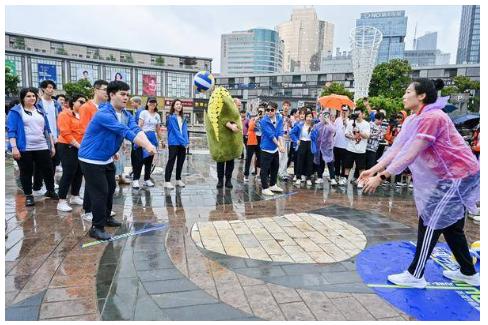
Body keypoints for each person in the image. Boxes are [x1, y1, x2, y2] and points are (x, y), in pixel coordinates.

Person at [360, 78, 480, 288]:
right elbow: (397, 149)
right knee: (451, 226)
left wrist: (381, 177)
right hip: (451, 176)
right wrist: (373, 169)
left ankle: (415, 275)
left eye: (408, 92)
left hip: (457, 175)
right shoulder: (414, 119)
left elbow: (410, 154)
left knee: (430, 218)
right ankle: (468, 272)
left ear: (422, 95)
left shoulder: (433, 117)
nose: (404, 96)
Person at [79, 80, 157, 240]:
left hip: (106, 157)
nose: (126, 97)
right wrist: (147, 147)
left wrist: (149, 144)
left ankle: (106, 217)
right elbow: (124, 131)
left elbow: (135, 129)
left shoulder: (126, 114)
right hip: (91, 158)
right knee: (100, 191)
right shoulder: (104, 114)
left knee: (111, 187)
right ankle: (96, 227)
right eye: (122, 94)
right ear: (111, 95)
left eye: (127, 94)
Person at [7, 87, 58, 206]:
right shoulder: (16, 111)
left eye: (34, 96)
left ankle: (50, 190)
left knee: (48, 170)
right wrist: (14, 147)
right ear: (23, 98)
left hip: (42, 145)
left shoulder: (40, 109)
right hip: (25, 148)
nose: (32, 98)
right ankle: (29, 195)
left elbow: (47, 129)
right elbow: (12, 131)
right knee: (26, 172)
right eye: (28, 96)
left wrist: (51, 146)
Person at [79, 79, 109, 220]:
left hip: (103, 151)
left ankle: (100, 210)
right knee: (92, 182)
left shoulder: (105, 107)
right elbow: (86, 129)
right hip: (91, 151)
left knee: (102, 184)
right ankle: (88, 210)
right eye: (104, 89)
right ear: (96, 90)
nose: (107, 93)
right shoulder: (86, 107)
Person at [56, 94, 87, 212]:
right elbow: (65, 133)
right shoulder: (64, 114)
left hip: (80, 147)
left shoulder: (83, 116)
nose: (83, 104)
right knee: (69, 172)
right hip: (67, 146)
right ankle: (62, 201)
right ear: (73, 102)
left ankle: (75, 196)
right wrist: (79, 146)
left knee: (79, 172)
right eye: (80, 101)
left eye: (85, 102)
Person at [33, 80, 62, 195]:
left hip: (56, 136)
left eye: (52, 87)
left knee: (54, 162)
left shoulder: (56, 104)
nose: (51, 90)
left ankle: (50, 183)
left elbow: (60, 119)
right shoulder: (38, 103)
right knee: (41, 163)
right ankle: (37, 185)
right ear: (43, 89)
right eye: (49, 87)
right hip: (43, 136)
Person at [132, 97, 163, 188]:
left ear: (156, 104)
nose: (152, 104)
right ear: (147, 103)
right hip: (143, 137)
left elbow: (158, 129)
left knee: (149, 160)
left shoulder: (157, 115)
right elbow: (139, 126)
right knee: (139, 160)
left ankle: (147, 179)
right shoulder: (143, 113)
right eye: (150, 102)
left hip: (152, 138)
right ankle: (136, 179)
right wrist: (139, 138)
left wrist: (161, 140)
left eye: (154, 102)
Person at [259, 102, 285, 196]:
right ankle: (264, 187)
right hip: (266, 148)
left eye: (272, 110)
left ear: (276, 110)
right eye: (267, 110)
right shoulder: (263, 121)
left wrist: (281, 145)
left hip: (274, 149)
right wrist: (279, 146)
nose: (269, 112)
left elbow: (280, 132)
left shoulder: (279, 118)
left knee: (275, 167)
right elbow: (271, 135)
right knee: (265, 169)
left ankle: (273, 184)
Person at [164, 99, 189, 189]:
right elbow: (176, 131)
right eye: (177, 104)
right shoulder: (171, 117)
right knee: (171, 161)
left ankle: (178, 180)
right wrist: (183, 142)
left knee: (180, 162)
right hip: (174, 142)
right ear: (173, 106)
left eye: (180, 104)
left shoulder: (183, 118)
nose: (179, 106)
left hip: (182, 143)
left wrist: (187, 142)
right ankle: (167, 181)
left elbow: (185, 131)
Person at [343, 107, 370, 188]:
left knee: (361, 167)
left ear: (362, 114)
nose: (357, 115)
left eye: (359, 114)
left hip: (361, 150)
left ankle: (361, 181)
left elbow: (367, 136)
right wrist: (352, 137)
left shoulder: (366, 124)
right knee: (347, 166)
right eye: (356, 113)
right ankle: (345, 179)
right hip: (350, 148)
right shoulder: (351, 122)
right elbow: (346, 134)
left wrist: (359, 132)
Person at [290, 110, 315, 186]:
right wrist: (296, 140)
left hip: (310, 143)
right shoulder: (300, 125)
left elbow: (315, 137)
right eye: (307, 116)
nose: (309, 118)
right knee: (300, 161)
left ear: (312, 118)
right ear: (305, 117)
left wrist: (313, 131)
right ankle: (298, 177)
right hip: (302, 143)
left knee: (309, 161)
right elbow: (292, 133)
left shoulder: (314, 126)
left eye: (310, 117)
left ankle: (308, 178)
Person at [311, 111, 337, 186]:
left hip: (328, 148)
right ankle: (320, 177)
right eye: (323, 116)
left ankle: (332, 178)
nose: (324, 117)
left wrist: (328, 122)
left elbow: (333, 131)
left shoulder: (331, 125)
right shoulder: (318, 125)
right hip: (319, 147)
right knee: (320, 162)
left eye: (326, 116)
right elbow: (314, 134)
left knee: (330, 163)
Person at [333, 106, 349, 186]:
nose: (344, 112)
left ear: (348, 111)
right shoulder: (337, 119)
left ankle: (343, 176)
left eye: (345, 110)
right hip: (336, 144)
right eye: (343, 110)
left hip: (345, 145)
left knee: (344, 162)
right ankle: (336, 175)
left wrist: (345, 123)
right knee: (336, 161)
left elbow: (350, 131)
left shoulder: (350, 120)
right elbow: (334, 131)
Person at [243, 111, 259, 182]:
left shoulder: (263, 120)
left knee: (260, 158)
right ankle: (246, 175)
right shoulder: (251, 120)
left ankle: (258, 174)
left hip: (259, 141)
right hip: (251, 141)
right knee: (248, 158)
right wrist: (255, 119)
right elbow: (251, 128)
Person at [278, 100, 291, 181]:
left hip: (287, 138)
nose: (286, 107)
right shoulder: (279, 116)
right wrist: (283, 122)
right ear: (282, 106)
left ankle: (284, 171)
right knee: (281, 156)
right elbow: (278, 126)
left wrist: (290, 123)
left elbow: (291, 127)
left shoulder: (289, 117)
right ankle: (280, 173)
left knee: (286, 156)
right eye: (285, 105)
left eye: (287, 105)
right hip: (281, 137)